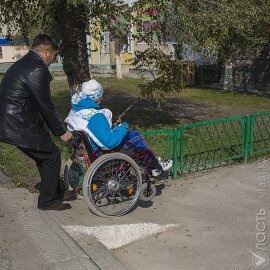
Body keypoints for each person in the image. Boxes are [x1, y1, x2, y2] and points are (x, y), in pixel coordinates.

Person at [0, 34, 75, 211]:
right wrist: (61, 131)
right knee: (51, 156)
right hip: (18, 124)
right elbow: (45, 105)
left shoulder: (27, 62)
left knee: (46, 154)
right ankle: (47, 201)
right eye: (54, 56)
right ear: (47, 51)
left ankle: (55, 193)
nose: (53, 59)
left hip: (15, 120)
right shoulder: (37, 69)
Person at [65, 79, 173, 177]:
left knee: (132, 138)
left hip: (86, 150)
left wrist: (110, 124)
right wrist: (123, 127)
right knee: (135, 137)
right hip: (100, 154)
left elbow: (94, 130)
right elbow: (109, 142)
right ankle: (154, 167)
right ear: (97, 97)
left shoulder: (76, 110)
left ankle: (151, 161)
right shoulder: (95, 117)